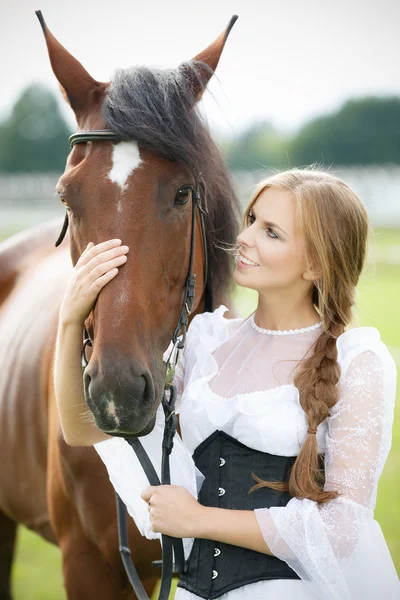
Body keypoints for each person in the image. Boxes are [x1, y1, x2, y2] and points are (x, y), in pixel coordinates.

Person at [55, 168, 399, 599]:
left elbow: (342, 529)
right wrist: (70, 322)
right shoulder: (205, 342)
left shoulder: (357, 362)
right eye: (251, 219)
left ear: (315, 263)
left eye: (271, 232)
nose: (246, 237)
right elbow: (84, 428)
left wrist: (198, 520)